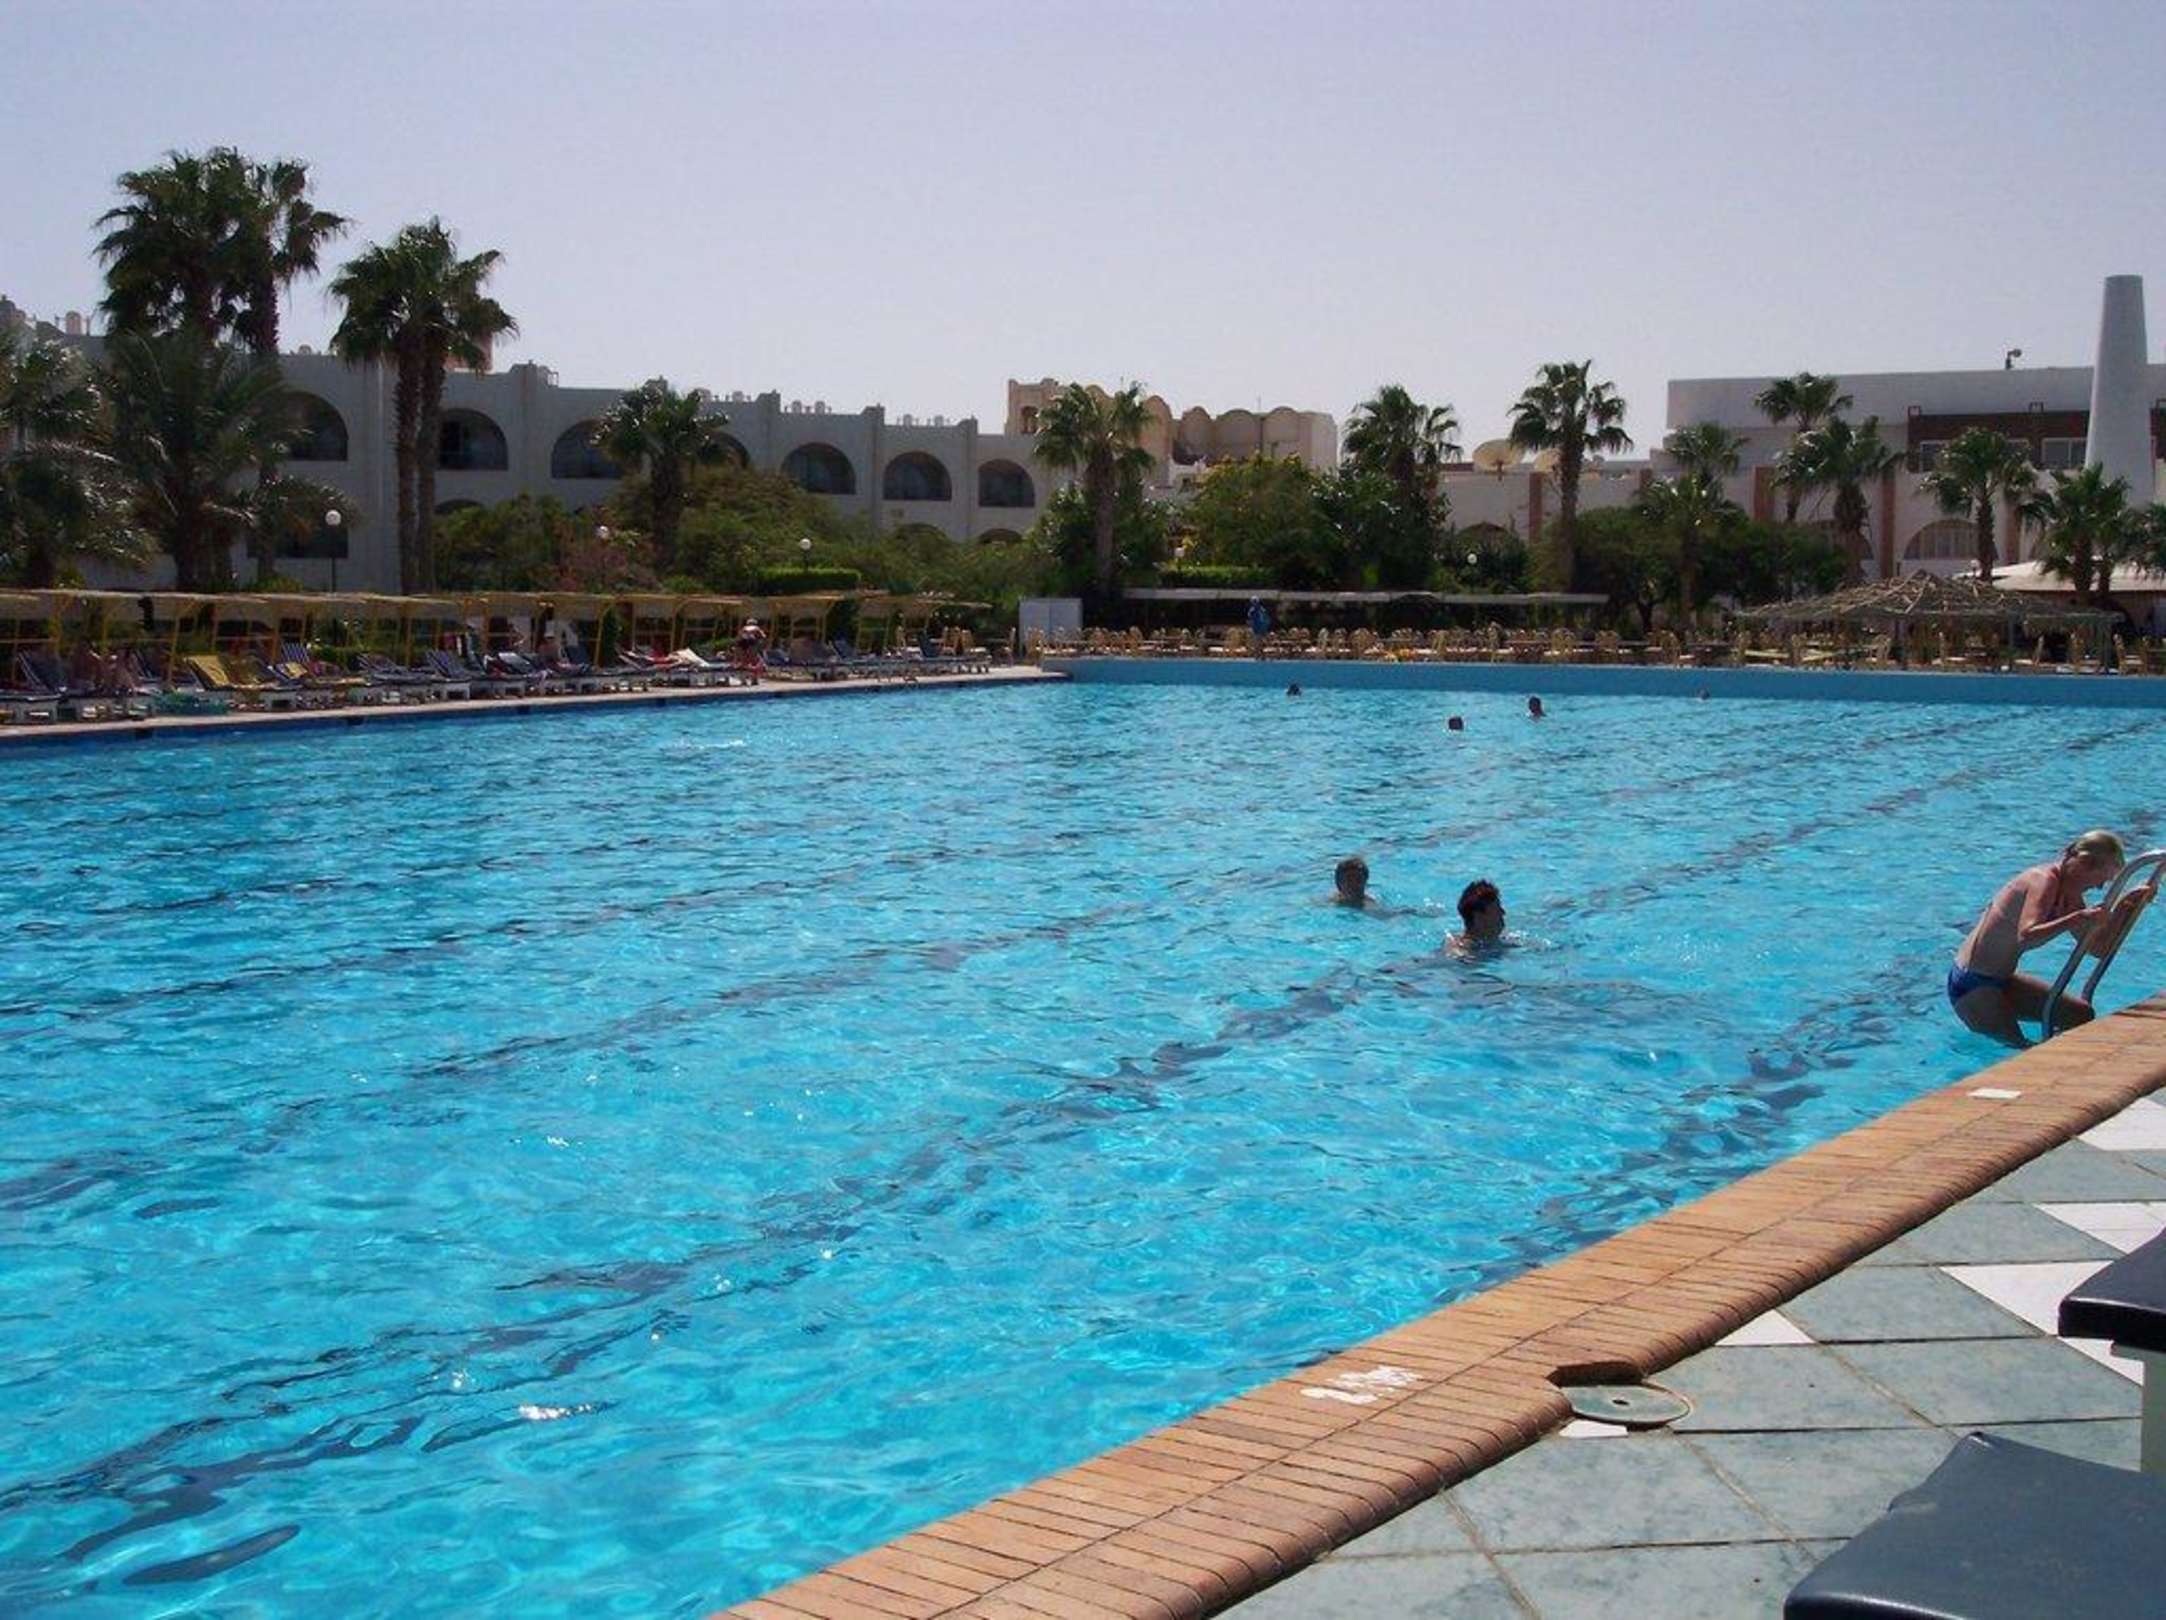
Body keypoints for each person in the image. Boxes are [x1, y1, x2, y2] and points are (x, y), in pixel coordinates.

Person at [1950, 830, 2153, 1047]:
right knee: (2025, 1052)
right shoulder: (2042, 881)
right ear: (2084, 864)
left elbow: (2097, 949)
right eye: (2100, 881)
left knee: (2080, 1015)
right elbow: (2027, 936)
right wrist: (2077, 918)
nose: (2099, 888)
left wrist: (2126, 907)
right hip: (1972, 985)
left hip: (2003, 980)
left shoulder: (2070, 894)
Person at [1450, 879, 1506, 952]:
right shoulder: (1463, 953)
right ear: (1479, 918)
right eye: (1497, 909)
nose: (1503, 913)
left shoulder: (1494, 941)